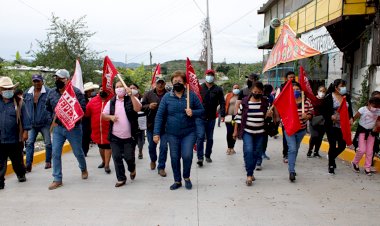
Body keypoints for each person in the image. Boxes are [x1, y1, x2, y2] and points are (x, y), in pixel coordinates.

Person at [153, 70, 204, 190]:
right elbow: (159, 116)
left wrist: (193, 112)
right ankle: (177, 180)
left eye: (179, 81)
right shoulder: (167, 97)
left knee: (187, 155)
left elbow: (202, 111)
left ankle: (186, 177)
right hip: (172, 133)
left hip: (189, 132)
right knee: (175, 157)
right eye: (174, 81)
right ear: (171, 83)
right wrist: (156, 133)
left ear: (185, 83)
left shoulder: (191, 95)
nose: (177, 83)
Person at [46, 69, 88, 190]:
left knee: (78, 152)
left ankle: (83, 168)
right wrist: (52, 121)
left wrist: (72, 116)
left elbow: (83, 109)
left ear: (67, 80)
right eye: (56, 78)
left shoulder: (76, 92)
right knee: (55, 153)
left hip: (73, 128)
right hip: (58, 128)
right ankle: (57, 179)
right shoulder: (52, 93)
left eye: (60, 78)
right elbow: (47, 108)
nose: (57, 80)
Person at [102, 81, 141, 187]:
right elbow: (103, 115)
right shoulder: (112, 102)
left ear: (125, 88)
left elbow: (138, 108)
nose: (119, 88)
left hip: (129, 136)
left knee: (129, 158)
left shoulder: (131, 98)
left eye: (121, 87)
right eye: (117, 87)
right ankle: (121, 178)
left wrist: (131, 95)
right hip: (115, 136)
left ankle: (132, 169)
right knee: (117, 157)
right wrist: (110, 117)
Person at [233, 81, 271, 186]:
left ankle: (251, 171)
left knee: (257, 153)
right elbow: (238, 117)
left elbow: (268, 119)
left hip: (260, 132)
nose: (257, 93)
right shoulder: (245, 102)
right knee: (248, 151)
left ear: (262, 92)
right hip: (247, 132)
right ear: (251, 91)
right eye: (255, 91)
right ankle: (249, 175)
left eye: (259, 92)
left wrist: (269, 116)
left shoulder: (265, 102)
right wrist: (235, 131)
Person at [0, 77, 31, 189]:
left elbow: (26, 119)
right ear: (0, 89)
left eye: (9, 89)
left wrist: (25, 132)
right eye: (4, 88)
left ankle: (21, 174)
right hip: (1, 138)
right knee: (0, 163)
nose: (7, 91)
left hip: (15, 138)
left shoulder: (19, 102)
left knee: (17, 161)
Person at [282, 82, 313, 182]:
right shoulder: (287, 101)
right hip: (290, 130)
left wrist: (307, 116)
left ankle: (292, 166)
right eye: (293, 89)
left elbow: (311, 113)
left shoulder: (306, 102)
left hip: (301, 130)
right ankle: (291, 171)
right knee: (292, 149)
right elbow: (283, 115)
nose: (296, 91)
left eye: (297, 89)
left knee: (296, 149)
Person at [323, 79, 353, 174]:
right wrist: (330, 116)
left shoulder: (346, 96)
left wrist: (351, 117)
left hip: (343, 125)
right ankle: (331, 165)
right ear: (336, 87)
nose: (343, 88)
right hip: (331, 125)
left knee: (342, 145)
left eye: (344, 86)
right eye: (341, 86)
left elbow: (350, 109)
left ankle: (331, 157)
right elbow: (323, 111)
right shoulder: (329, 97)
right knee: (332, 144)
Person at [24, 74, 52, 172]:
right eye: (34, 81)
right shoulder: (27, 92)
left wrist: (51, 119)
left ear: (42, 81)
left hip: (45, 123)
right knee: (29, 143)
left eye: (38, 81)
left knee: (48, 143)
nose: (36, 83)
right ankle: (28, 164)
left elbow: (53, 106)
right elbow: (23, 107)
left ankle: (48, 161)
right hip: (31, 123)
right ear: (32, 82)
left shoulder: (48, 92)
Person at [196, 69, 225, 165]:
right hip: (200, 117)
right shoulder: (199, 88)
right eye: (208, 74)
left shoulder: (218, 89)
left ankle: (207, 155)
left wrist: (223, 114)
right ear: (205, 76)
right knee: (200, 137)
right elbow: (194, 100)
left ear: (214, 77)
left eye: (211, 75)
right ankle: (200, 158)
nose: (210, 76)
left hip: (212, 117)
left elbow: (222, 102)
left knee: (210, 138)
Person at [141, 77, 169, 177]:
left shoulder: (169, 94)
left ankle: (161, 167)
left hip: (165, 126)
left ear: (165, 84)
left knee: (164, 147)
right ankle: (153, 159)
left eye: (162, 83)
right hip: (151, 125)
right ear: (155, 84)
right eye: (158, 83)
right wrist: (149, 106)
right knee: (152, 146)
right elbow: (141, 106)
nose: (160, 85)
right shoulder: (148, 94)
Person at [85, 86, 112, 174]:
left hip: (108, 128)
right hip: (97, 129)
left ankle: (107, 165)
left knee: (108, 146)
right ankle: (104, 161)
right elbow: (87, 113)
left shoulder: (112, 100)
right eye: (101, 89)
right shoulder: (93, 101)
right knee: (101, 146)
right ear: (98, 90)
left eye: (104, 89)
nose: (102, 91)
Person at [351, 97, 380, 176]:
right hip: (362, 132)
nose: (375, 108)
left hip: (371, 133)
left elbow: (378, 120)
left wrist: (377, 126)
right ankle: (355, 162)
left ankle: (367, 167)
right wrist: (349, 123)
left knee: (370, 151)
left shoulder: (378, 111)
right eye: (374, 106)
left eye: (377, 106)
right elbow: (354, 118)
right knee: (362, 150)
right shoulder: (363, 109)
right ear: (369, 103)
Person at [255, 83, 275, 170]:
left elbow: (274, 106)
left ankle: (263, 153)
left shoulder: (271, 97)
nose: (267, 92)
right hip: (256, 121)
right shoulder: (258, 96)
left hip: (266, 121)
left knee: (264, 138)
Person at [279, 71, 296, 163]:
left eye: (293, 77)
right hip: (286, 116)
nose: (292, 79)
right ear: (286, 78)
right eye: (290, 77)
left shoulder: (298, 87)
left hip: (296, 116)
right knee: (286, 136)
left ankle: (292, 153)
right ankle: (285, 154)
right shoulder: (282, 88)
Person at [307, 85, 327, 158]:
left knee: (320, 137)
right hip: (314, 120)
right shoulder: (313, 99)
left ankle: (316, 152)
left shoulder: (327, 100)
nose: (322, 93)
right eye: (321, 91)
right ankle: (310, 150)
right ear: (318, 91)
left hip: (323, 121)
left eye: (324, 91)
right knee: (314, 135)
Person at [82, 82, 99, 156]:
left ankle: (85, 150)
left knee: (88, 135)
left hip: (91, 119)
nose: (92, 92)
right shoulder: (83, 99)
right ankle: (84, 151)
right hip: (84, 119)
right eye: (91, 90)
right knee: (85, 135)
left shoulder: (93, 98)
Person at [129, 83, 146, 161]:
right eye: (131, 88)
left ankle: (140, 152)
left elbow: (145, 108)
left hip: (141, 121)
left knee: (140, 138)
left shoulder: (142, 99)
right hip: (131, 122)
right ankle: (131, 153)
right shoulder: (127, 99)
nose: (132, 89)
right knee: (131, 139)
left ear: (137, 89)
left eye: (134, 88)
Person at [224, 84, 240, 155]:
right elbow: (223, 104)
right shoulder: (228, 96)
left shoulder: (241, 96)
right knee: (229, 132)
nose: (236, 89)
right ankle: (229, 147)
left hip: (237, 117)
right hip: (229, 117)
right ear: (232, 88)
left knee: (234, 132)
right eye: (234, 88)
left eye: (237, 88)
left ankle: (232, 148)